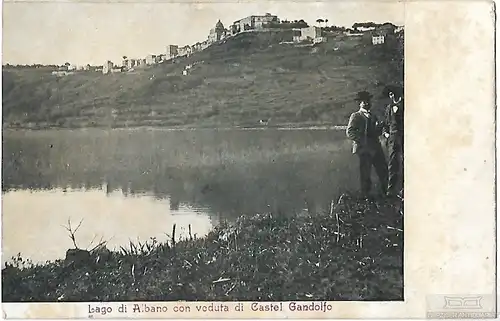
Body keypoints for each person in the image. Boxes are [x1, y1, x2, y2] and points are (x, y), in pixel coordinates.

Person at [346, 91, 388, 197]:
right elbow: (350, 132)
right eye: (364, 101)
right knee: (365, 174)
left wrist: (380, 127)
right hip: (364, 150)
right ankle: (366, 197)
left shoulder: (373, 116)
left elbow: (375, 133)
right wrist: (362, 141)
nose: (367, 103)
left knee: (383, 171)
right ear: (360, 103)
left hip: (375, 148)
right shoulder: (355, 116)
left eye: (368, 101)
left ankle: (387, 194)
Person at [382, 85, 404, 197]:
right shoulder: (388, 108)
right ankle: (391, 191)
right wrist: (385, 133)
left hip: (404, 137)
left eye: (392, 93)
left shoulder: (405, 105)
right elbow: (385, 123)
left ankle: (404, 190)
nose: (391, 96)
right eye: (390, 94)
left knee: (405, 162)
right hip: (392, 139)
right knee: (392, 164)